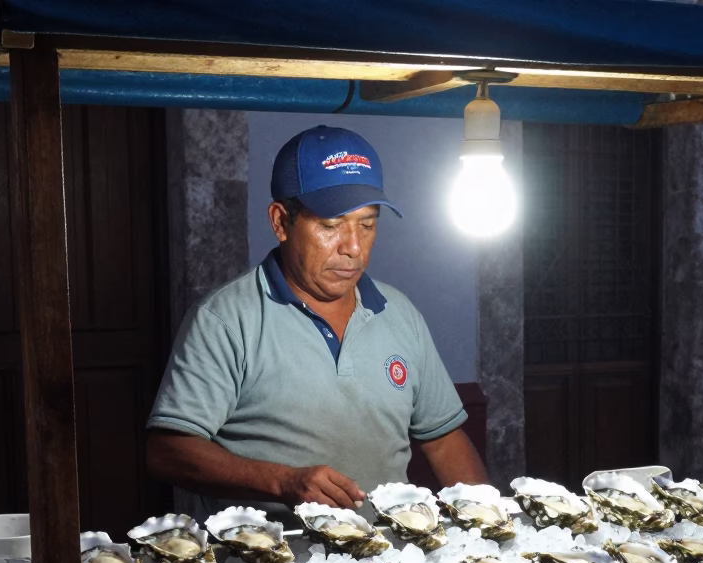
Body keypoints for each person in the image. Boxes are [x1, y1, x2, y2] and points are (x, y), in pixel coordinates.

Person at [145, 125, 489, 523]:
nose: (353, 247)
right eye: (331, 225)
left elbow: (444, 441)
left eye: (367, 224)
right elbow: (167, 451)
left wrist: (492, 527)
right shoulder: (225, 320)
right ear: (280, 221)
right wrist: (282, 482)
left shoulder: (399, 313)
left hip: (388, 560)